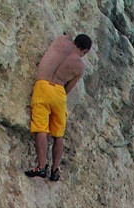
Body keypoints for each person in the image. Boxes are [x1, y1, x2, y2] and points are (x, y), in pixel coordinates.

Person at [25, 34, 92, 182]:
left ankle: (41, 167)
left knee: (41, 129)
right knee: (58, 134)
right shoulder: (80, 66)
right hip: (59, 92)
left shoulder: (62, 40)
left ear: (74, 40)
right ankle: (55, 170)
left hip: (43, 86)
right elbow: (69, 87)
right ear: (86, 51)